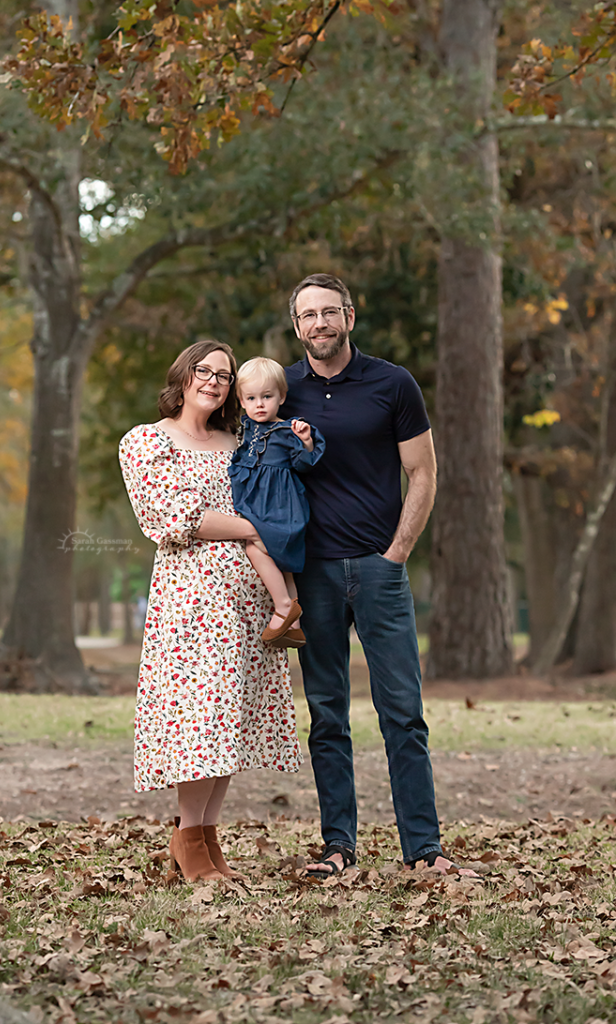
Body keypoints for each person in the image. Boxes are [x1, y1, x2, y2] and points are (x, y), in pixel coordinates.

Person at [279, 273, 478, 879]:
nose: (320, 323)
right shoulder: (280, 389)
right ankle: (338, 847)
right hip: (312, 572)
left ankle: (423, 850)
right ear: (297, 326)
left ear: (350, 316)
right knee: (328, 714)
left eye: (329, 312)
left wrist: (397, 553)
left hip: (379, 569)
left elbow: (422, 473)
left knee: (403, 712)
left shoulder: (394, 384)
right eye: (308, 315)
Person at [119, 340, 302, 883]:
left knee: (231, 726)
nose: (215, 381)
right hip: (192, 606)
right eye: (205, 370)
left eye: (225, 374)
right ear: (184, 374)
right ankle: (187, 838)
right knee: (199, 722)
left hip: (250, 604)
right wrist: (253, 528)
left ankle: (205, 840)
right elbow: (175, 518)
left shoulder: (241, 440)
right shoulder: (147, 441)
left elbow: (274, 493)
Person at [229, 357, 325, 649]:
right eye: (252, 398)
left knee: (254, 546)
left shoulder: (287, 431)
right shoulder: (244, 429)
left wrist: (306, 441)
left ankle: (283, 606)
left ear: (281, 397)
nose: (260, 404)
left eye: (267, 397)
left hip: (280, 506)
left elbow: (304, 463)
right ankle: (294, 626)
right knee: (283, 566)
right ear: (242, 401)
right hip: (257, 504)